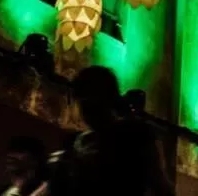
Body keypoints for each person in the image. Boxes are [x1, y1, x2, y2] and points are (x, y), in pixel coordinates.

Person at [47, 66, 174, 195]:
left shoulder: (135, 136)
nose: (90, 110)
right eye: (85, 103)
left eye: (94, 102)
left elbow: (159, 185)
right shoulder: (74, 145)